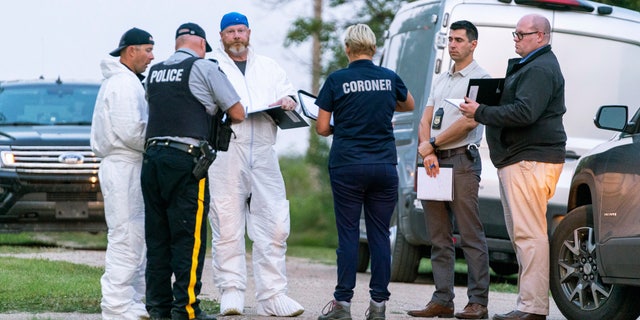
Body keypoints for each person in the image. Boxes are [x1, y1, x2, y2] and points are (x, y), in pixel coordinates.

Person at [459, 14, 566, 320]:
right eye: (515, 34)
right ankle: (527, 305)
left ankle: (532, 308)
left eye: (522, 34)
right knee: (524, 235)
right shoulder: (533, 65)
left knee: (530, 236)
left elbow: (525, 112)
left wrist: (481, 111)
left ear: (541, 37)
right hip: (520, 160)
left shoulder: (541, 68)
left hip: (530, 161)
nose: (516, 39)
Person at [141, 22, 245, 320]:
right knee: (189, 236)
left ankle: (158, 308)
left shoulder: (155, 72)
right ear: (200, 44)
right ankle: (185, 309)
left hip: (151, 160)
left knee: (158, 237)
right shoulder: (204, 68)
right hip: (186, 162)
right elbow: (237, 112)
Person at [314, 24, 415, 320]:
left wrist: (342, 125)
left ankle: (342, 305)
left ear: (347, 48)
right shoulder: (388, 77)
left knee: (348, 235)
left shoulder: (337, 80)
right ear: (373, 49)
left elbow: (321, 127)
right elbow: (408, 104)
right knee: (380, 235)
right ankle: (378, 307)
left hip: (347, 164)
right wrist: (379, 110)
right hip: (383, 165)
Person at [207, 12, 304, 317]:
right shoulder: (211, 65)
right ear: (221, 36)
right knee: (226, 220)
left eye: (240, 31)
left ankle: (273, 294)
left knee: (274, 221)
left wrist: (288, 100)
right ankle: (231, 290)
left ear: (249, 33)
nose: (236, 36)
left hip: (263, 148)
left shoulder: (269, 66)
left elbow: (288, 94)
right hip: (227, 148)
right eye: (230, 32)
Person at [407, 20, 491, 320]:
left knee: (470, 235)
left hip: (461, 162)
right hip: (434, 162)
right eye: (450, 40)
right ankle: (442, 299)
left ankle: (477, 302)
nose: (452, 44)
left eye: (458, 40)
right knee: (438, 236)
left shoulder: (481, 78)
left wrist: (432, 144)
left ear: (473, 44)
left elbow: (470, 122)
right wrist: (428, 150)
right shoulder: (441, 79)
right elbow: (424, 118)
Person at [90, 27, 155, 320]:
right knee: (125, 235)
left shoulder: (127, 82)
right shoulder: (123, 85)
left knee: (135, 235)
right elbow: (132, 131)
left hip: (129, 164)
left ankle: (130, 301)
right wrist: (160, 139)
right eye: (148, 50)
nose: (152, 57)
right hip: (124, 164)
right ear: (132, 51)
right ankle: (116, 305)